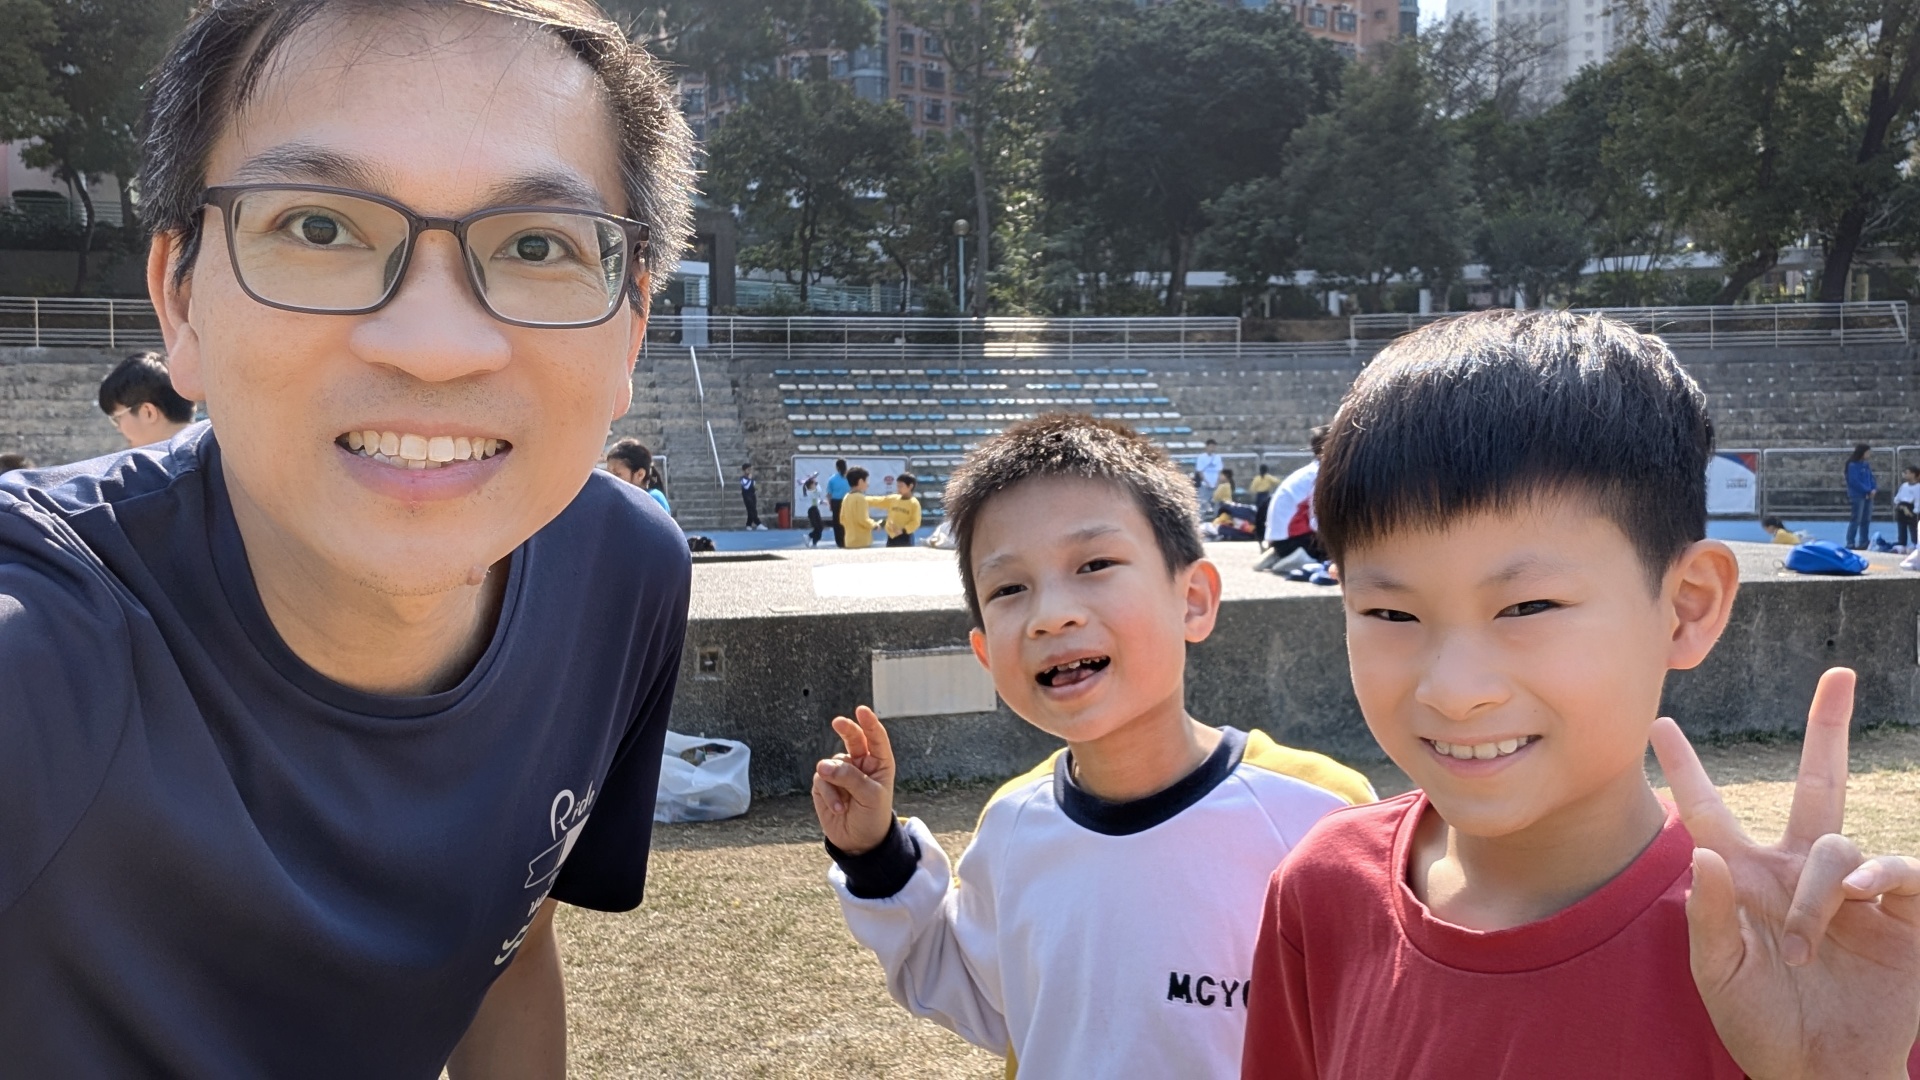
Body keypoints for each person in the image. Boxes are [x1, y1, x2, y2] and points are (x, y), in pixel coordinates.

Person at [0, 1, 697, 1074]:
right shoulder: (41, 654)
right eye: (318, 228)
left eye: (536, 244)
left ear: (633, 329)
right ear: (181, 301)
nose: (433, 346)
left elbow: (509, 947)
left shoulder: (624, 572)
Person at [1240, 311, 1920, 1079]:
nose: (1454, 692)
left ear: (1686, 607)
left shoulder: (1809, 968)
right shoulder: (1323, 892)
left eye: (1527, 608)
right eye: (1390, 614)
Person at [812, 415, 1373, 1078]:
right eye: (1009, 588)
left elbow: (1382, 1029)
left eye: (1095, 564)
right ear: (986, 654)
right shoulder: (1012, 825)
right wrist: (877, 855)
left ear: (1193, 599)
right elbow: (987, 995)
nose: (1052, 614)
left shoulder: (1318, 818)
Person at [1252, 428, 1328, 572]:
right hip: (1294, 540)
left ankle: (1282, 555)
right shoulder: (1319, 476)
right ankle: (1301, 558)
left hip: (1280, 540)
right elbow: (1316, 522)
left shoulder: (1308, 472)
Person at [98, 351, 195, 448]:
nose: (118, 429)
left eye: (117, 418)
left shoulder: (145, 458)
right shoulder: (201, 449)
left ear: (148, 412)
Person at [606, 437, 671, 515]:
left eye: (617, 474)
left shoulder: (653, 499)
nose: (610, 479)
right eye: (609, 473)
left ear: (640, 474)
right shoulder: (615, 501)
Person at [837, 467, 897, 549]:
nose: (868, 484)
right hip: (862, 540)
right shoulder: (861, 498)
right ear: (861, 481)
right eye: (866, 481)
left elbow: (842, 519)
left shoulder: (846, 497)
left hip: (849, 540)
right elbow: (863, 519)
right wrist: (875, 525)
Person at [1845, 443, 1877, 549]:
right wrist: (1867, 490)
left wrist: (1874, 488)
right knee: (1856, 519)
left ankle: (1864, 541)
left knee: (1866, 519)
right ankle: (1850, 542)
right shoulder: (1852, 465)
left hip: (1868, 494)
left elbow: (1871, 477)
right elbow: (1854, 481)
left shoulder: (1865, 464)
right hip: (1858, 495)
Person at [881, 473, 921, 547]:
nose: (898, 488)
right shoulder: (894, 498)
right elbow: (878, 501)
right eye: (897, 486)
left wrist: (903, 530)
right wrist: (863, 499)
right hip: (891, 536)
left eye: (901, 486)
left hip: (906, 536)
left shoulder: (914, 503)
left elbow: (915, 522)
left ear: (910, 486)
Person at [1248, 463, 1279, 539]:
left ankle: (1258, 530)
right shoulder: (1268, 477)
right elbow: (1277, 481)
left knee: (1259, 513)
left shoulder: (1257, 478)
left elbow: (1252, 488)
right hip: (1266, 495)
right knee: (1267, 513)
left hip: (1259, 496)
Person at [797, 473, 829, 546]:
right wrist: (815, 481)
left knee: (820, 527)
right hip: (812, 511)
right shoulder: (811, 492)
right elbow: (819, 490)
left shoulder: (811, 493)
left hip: (814, 509)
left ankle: (813, 541)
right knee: (818, 527)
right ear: (811, 486)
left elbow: (815, 501)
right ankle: (809, 537)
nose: (815, 484)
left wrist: (822, 502)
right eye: (814, 484)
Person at [1894, 465, 1919, 552]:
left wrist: (1915, 512)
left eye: (1907, 473)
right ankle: (1901, 544)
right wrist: (1899, 505)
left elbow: (1917, 500)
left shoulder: (1918, 487)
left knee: (1914, 530)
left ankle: (1915, 545)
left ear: (1913, 474)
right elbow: (1897, 498)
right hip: (1902, 508)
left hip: (1911, 510)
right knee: (1901, 528)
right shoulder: (1904, 486)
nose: (1904, 474)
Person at [828, 457, 851, 548]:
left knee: (837, 522)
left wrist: (830, 504)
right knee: (847, 521)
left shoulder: (832, 479)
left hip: (836, 502)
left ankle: (839, 542)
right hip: (847, 501)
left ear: (837, 467)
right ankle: (848, 539)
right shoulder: (849, 478)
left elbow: (829, 493)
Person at [740, 462, 763, 530]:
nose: (750, 471)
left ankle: (748, 524)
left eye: (750, 469)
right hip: (746, 495)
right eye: (748, 469)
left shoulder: (752, 478)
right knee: (752, 509)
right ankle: (758, 523)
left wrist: (758, 486)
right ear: (744, 470)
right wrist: (749, 479)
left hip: (752, 494)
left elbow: (756, 486)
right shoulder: (742, 478)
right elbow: (746, 486)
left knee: (752, 508)